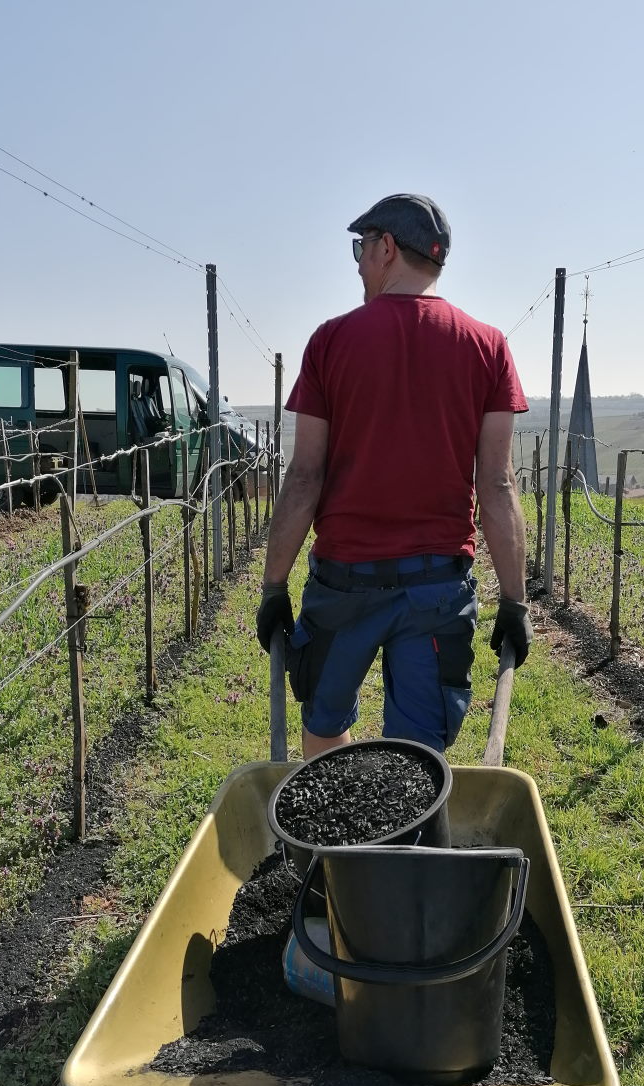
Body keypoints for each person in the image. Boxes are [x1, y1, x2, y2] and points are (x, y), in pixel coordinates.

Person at [255, 192, 532, 758]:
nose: (358, 262)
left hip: (345, 583)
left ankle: (340, 810)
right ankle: (407, 814)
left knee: (324, 723)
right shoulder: (487, 346)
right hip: (437, 589)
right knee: (418, 754)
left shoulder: (331, 341)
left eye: (361, 247)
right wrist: (514, 601)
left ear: (386, 249)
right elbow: (497, 485)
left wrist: (274, 586)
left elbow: (304, 477)